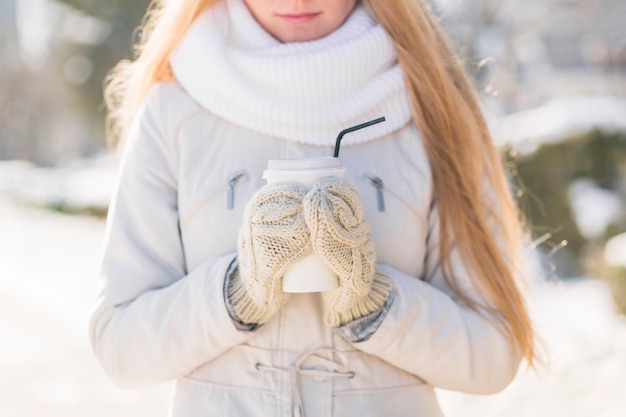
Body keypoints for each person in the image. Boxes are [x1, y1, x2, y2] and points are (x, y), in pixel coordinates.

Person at [89, 0, 538, 416]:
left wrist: (377, 305)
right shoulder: (174, 109)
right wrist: (235, 292)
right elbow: (121, 347)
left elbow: (494, 353)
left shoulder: (430, 106)